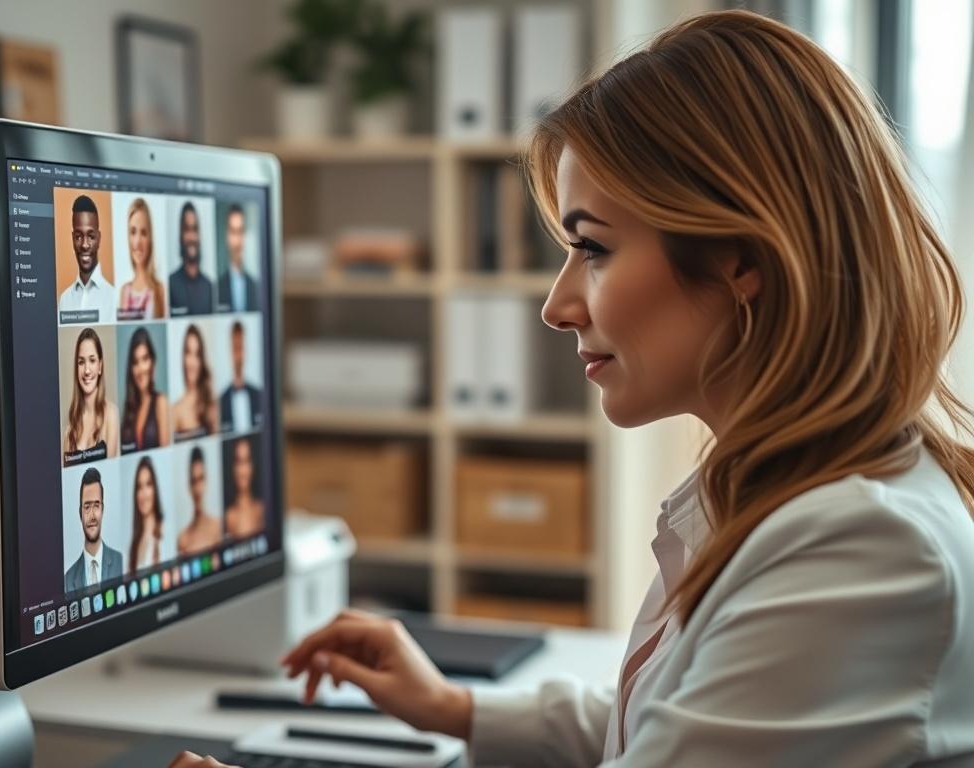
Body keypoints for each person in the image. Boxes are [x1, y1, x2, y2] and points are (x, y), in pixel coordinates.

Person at [278, 10, 974, 767]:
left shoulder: (859, 551)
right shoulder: (790, 489)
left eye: (594, 249)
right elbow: (687, 719)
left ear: (742, 257)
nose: (556, 305)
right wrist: (457, 708)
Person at [62, 327, 119, 465]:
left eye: (92, 360)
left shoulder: (112, 415)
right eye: (81, 362)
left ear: (100, 366)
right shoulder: (69, 431)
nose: (87, 370)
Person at [64, 467, 123, 593]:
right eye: (87, 507)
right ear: (80, 513)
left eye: (96, 505)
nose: (92, 516)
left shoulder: (121, 562)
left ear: (102, 510)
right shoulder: (68, 580)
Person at [58, 194, 115, 322]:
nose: (84, 244)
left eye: (91, 236)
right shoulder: (64, 299)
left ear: (99, 238)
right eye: (78, 236)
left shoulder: (114, 298)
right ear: (72, 239)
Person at [120, 327, 171, 452]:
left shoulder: (161, 403)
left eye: (145, 359)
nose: (141, 368)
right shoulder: (128, 410)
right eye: (135, 362)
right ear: (130, 368)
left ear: (152, 362)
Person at [118, 197, 166, 320]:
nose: (137, 242)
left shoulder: (160, 290)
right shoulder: (124, 291)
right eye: (133, 232)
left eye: (143, 233)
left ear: (150, 239)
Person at [173, 324, 219, 439]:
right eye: (188, 353)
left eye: (197, 355)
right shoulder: (175, 410)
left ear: (201, 360)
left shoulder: (212, 403)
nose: (192, 362)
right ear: (182, 357)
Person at [169, 201, 213, 315]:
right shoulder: (171, 283)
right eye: (187, 229)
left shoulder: (209, 287)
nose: (192, 237)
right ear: (181, 234)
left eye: (194, 229)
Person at [177, 446, 222, 555]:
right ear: (189, 486)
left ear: (206, 480)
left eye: (201, 479)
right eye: (193, 481)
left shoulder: (218, 527)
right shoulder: (182, 539)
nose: (197, 489)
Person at [219, 321, 262, 432]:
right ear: (230, 351)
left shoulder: (260, 396)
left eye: (241, 348)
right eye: (235, 348)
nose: (238, 356)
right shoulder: (220, 402)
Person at [217, 204, 259, 312]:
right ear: (227, 236)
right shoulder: (218, 287)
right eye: (233, 232)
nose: (237, 241)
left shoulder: (255, 286)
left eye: (240, 231)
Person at [129, 456, 164, 573]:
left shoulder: (164, 533)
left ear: (155, 488)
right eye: (139, 487)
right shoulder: (134, 543)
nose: (143, 494)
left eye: (148, 484)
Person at [223, 437, 264, 538]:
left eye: (246, 461)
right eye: (238, 462)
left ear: (253, 465)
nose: (242, 471)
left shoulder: (261, 509)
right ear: (233, 467)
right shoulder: (228, 517)